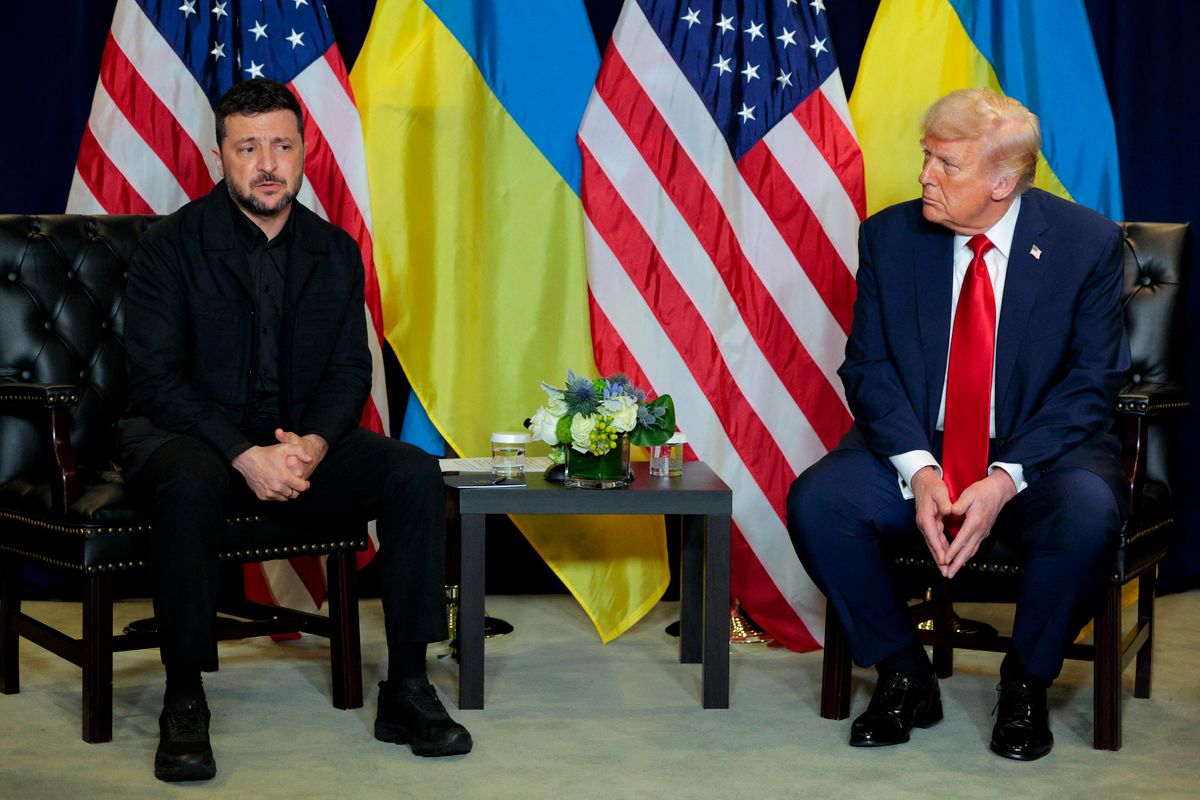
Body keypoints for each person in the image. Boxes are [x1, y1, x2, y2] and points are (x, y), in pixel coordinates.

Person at [118, 79, 471, 782]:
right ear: (220, 155)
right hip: (188, 434)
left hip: (297, 440)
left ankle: (406, 685)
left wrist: (311, 445)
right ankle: (184, 694)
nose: (267, 163)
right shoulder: (169, 246)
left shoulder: (336, 251)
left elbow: (347, 373)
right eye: (248, 148)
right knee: (189, 485)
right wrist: (246, 455)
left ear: (305, 151)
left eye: (282, 145)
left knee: (413, 473)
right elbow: (156, 381)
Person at [787, 88, 1129, 761]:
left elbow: (1093, 383)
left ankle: (1026, 683)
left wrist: (1005, 479)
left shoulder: (1086, 244)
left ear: (1004, 183)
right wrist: (919, 470)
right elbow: (869, 367)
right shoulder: (889, 236)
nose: (924, 177)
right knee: (820, 501)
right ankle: (903, 672)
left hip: (1041, 454)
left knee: (1088, 513)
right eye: (926, 158)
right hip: (922, 443)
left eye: (947, 165)